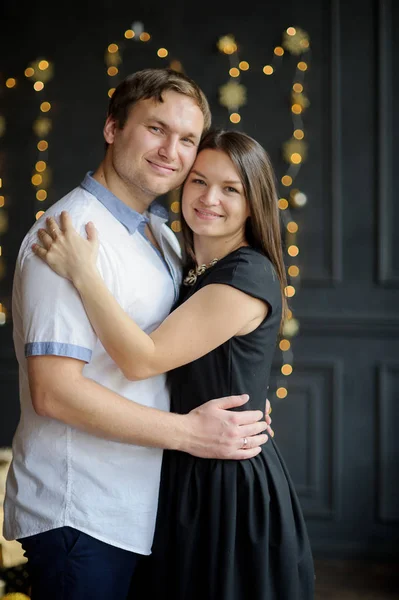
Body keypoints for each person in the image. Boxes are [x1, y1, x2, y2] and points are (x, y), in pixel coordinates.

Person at [3, 69, 273, 600]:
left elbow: (187, 347)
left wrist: (243, 409)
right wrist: (193, 434)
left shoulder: (167, 238)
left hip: (143, 508)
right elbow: (53, 391)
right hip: (79, 513)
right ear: (112, 128)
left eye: (187, 138)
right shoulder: (68, 234)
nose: (171, 150)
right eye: (155, 128)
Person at [32, 128, 315, 599]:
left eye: (231, 189)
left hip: (225, 485)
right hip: (187, 468)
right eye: (199, 181)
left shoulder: (245, 273)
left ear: (254, 202)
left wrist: (83, 272)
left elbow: (143, 360)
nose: (208, 199)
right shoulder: (187, 262)